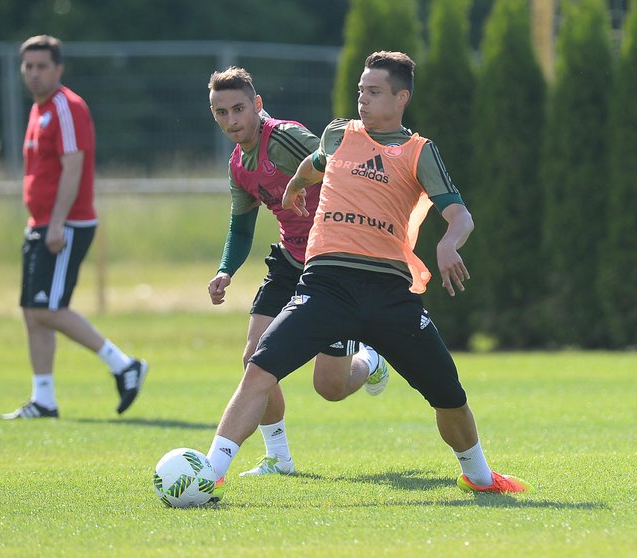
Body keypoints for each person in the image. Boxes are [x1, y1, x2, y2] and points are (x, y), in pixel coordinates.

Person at [206, 51, 533, 497]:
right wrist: (296, 187)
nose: (362, 99)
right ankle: (209, 472)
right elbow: (313, 163)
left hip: (389, 294)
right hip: (324, 286)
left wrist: (447, 243)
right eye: (361, 90)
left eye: (374, 92)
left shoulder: (420, 152)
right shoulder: (338, 134)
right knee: (259, 367)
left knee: (449, 394)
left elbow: (460, 215)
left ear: (401, 98)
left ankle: (480, 477)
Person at [206, 67, 389, 477]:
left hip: (333, 265)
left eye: (239, 109)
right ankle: (279, 458)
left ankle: (371, 359)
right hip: (290, 261)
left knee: (330, 388)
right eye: (221, 113)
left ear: (257, 105)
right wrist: (225, 271)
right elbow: (241, 225)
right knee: (254, 357)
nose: (231, 120)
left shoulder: (284, 137)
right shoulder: (238, 165)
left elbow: (340, 163)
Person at [1, 35, 147, 420]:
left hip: (65, 224)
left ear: (58, 68)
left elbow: (74, 165)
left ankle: (123, 364)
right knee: (34, 312)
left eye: (42, 66)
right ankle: (43, 398)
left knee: (49, 308)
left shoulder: (66, 106)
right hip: (43, 223)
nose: (34, 73)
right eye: (28, 66)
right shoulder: (39, 110)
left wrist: (57, 224)